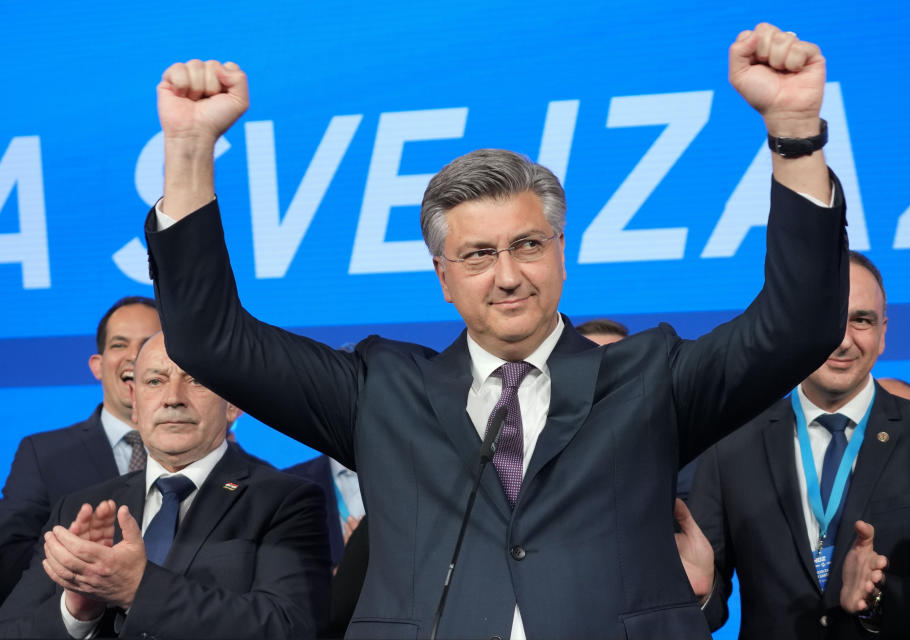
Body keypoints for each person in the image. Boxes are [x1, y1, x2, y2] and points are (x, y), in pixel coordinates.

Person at [144, 23, 848, 638]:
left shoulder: (647, 379)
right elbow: (211, 338)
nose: (508, 275)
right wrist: (188, 149)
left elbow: (796, 326)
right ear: (443, 278)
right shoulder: (382, 391)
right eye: (479, 255)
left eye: (529, 246)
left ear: (562, 255)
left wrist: (794, 134)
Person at [688, 252, 910, 638]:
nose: (844, 340)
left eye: (861, 321)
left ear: (883, 334)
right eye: (827, 318)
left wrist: (881, 598)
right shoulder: (730, 446)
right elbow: (706, 601)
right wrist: (693, 594)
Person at [0, 332, 330, 638]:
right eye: (155, 381)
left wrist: (138, 589)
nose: (173, 398)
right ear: (136, 402)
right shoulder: (78, 508)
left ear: (233, 402)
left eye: (196, 380)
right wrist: (76, 612)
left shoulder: (284, 500)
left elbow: (290, 626)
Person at [0, 296, 161, 604]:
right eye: (119, 345)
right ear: (97, 366)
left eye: (148, 343)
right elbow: (11, 558)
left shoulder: (202, 453)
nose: (134, 356)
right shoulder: (43, 453)